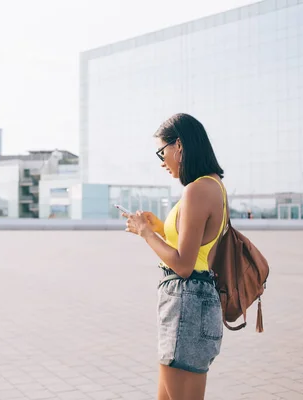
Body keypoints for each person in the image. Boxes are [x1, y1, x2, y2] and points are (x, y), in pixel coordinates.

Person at [123, 113, 226, 400]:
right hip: (196, 299)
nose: (161, 160)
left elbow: (183, 264)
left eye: (162, 151)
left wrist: (146, 233)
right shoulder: (213, 185)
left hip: (187, 300)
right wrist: (158, 228)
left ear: (178, 145)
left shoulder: (196, 190)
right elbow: (199, 249)